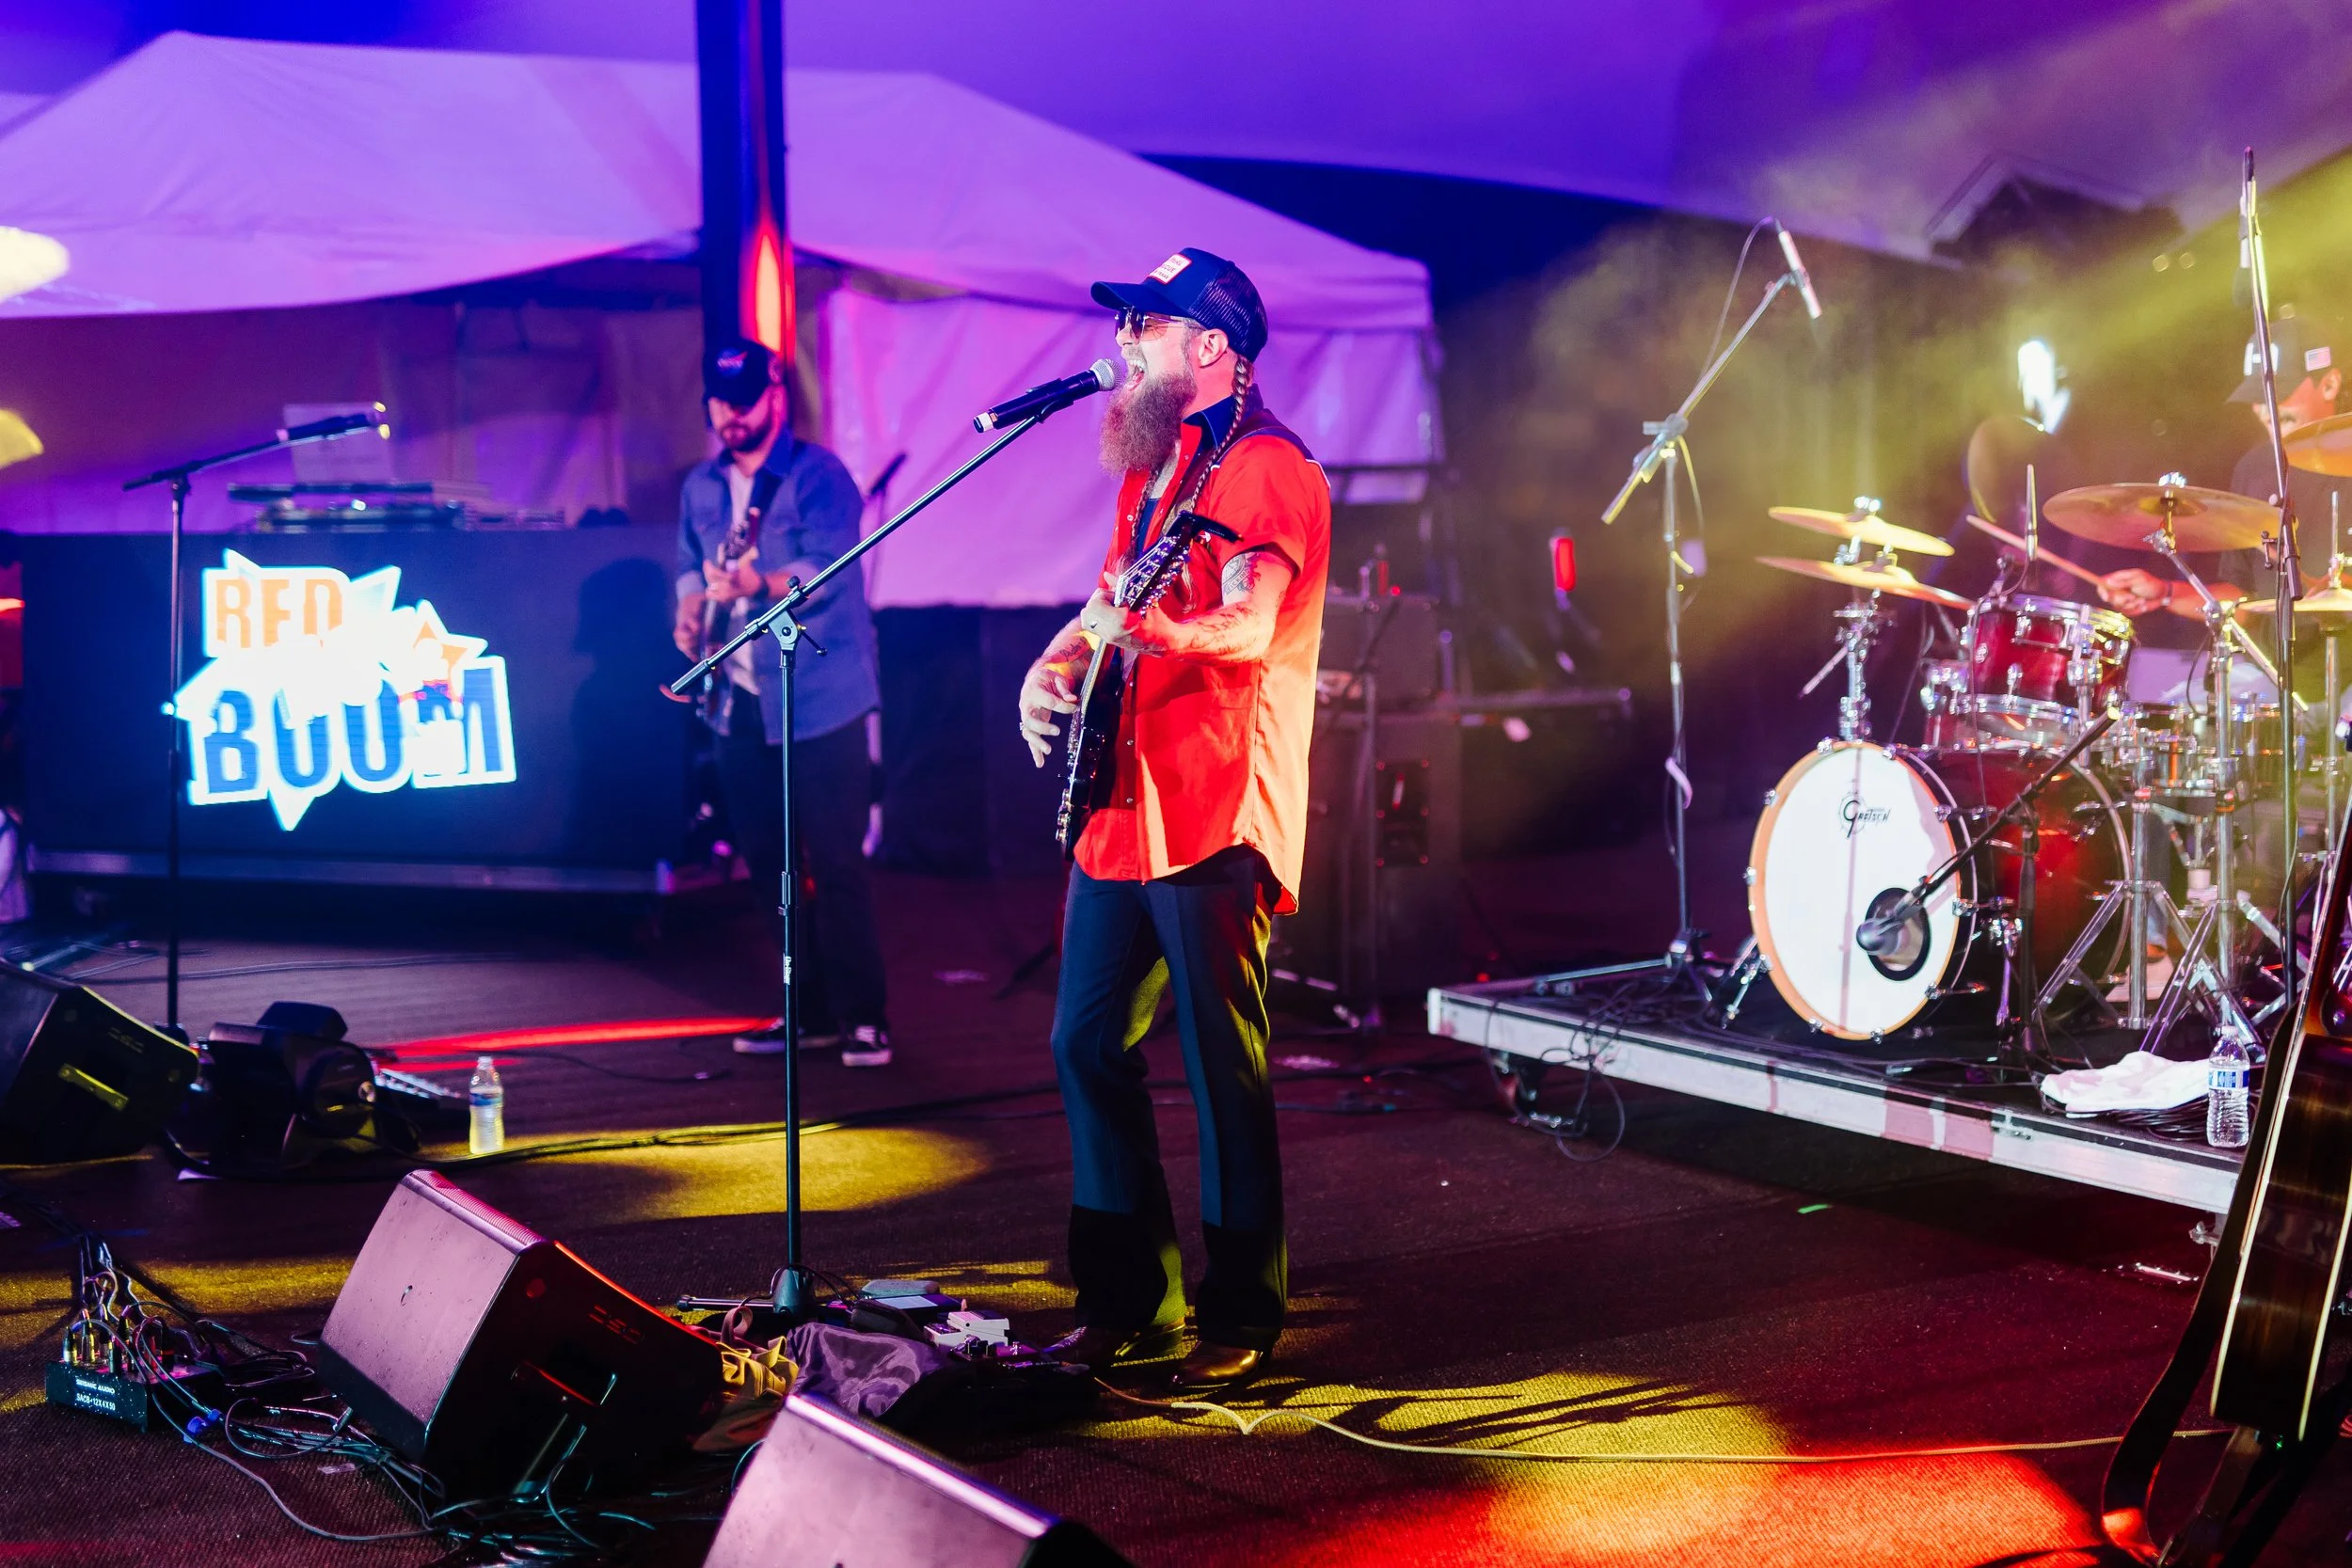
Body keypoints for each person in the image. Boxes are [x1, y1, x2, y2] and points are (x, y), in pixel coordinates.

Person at [1017, 250, 1330, 1393]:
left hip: (1213, 805)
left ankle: (1241, 1309)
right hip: (1126, 803)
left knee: (1218, 1060)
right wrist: (1053, 661)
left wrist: (1148, 636)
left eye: (1146, 323)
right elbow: (1108, 598)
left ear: (1211, 345)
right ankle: (1128, 1302)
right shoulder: (1156, 469)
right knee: (1084, 1040)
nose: (1125, 341)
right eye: (1126, 324)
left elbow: (1249, 624)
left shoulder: (1267, 464)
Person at [674, 340, 892, 1068]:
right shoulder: (701, 485)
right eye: (718, 402)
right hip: (738, 700)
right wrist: (688, 610)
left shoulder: (819, 474)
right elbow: (687, 562)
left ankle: (865, 1017)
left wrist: (758, 585)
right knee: (768, 862)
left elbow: (829, 568)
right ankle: (809, 1012)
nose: (729, 415)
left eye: (743, 401)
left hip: (821, 698)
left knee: (837, 860)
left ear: (775, 396)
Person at [2099, 310, 2346, 627]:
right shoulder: (2253, 469)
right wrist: (2165, 594)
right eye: (2256, 397)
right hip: (2268, 657)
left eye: (2278, 394)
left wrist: (2310, 581)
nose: (2265, 410)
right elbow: (2243, 601)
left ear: (2329, 385)